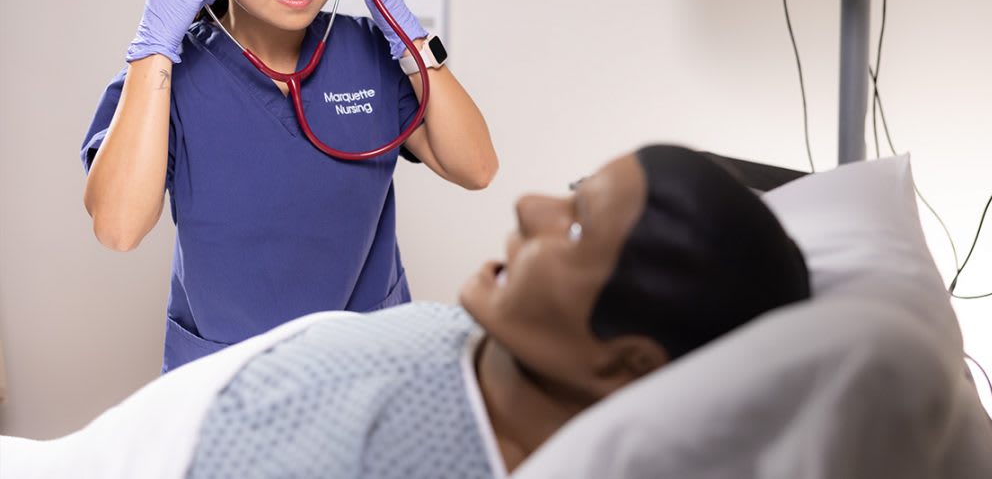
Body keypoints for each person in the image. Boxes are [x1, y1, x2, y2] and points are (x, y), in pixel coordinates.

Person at [3, 144, 810, 477]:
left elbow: (472, 158)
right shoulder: (485, 342)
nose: (528, 208)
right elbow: (115, 219)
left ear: (626, 358)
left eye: (575, 225)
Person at [80, 0, 498, 373]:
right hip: (228, 375)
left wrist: (409, 36)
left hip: (370, 366)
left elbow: (477, 167)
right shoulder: (165, 74)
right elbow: (118, 228)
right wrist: (155, 48)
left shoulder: (370, 52)